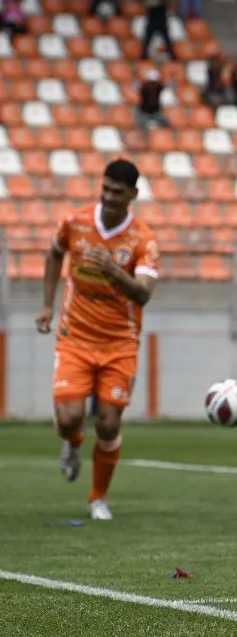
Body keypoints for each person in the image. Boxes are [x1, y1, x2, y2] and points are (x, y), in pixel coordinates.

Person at [34, 159, 159, 521]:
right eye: (104, 189)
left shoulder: (143, 241)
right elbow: (54, 254)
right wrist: (46, 305)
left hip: (120, 344)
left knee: (107, 423)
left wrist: (111, 270)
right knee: (70, 418)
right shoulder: (74, 222)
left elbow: (143, 294)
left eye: (116, 192)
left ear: (133, 195)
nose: (107, 197)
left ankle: (98, 497)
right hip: (75, 337)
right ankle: (72, 444)